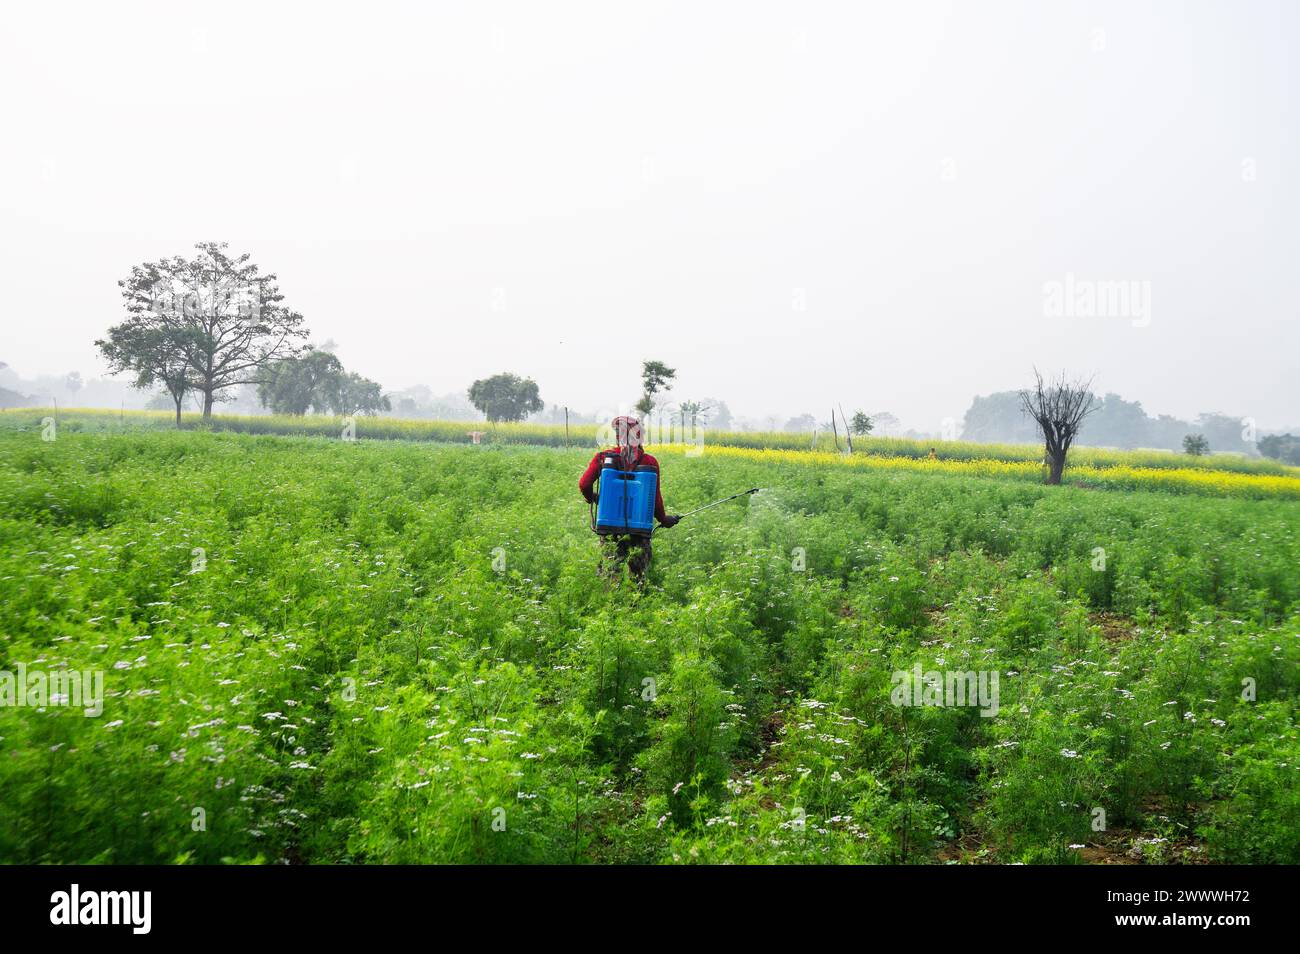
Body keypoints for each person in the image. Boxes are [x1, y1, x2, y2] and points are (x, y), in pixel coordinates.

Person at [579, 415, 679, 581]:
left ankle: (610, 604)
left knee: (609, 576)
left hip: (610, 528)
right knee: (638, 579)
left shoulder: (604, 457)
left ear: (618, 436)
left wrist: (594, 498)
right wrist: (664, 519)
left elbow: (584, 484)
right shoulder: (650, 462)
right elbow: (654, 499)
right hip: (638, 532)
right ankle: (635, 605)